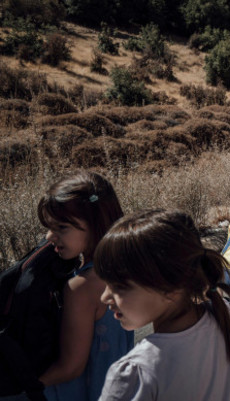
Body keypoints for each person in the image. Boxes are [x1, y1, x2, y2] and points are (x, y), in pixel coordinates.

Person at [95, 209, 230, 401]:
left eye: (119, 286)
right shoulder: (220, 313)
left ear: (171, 287)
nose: (104, 297)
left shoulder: (137, 372)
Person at [37, 171, 134, 401]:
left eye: (62, 228)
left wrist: (25, 386)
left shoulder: (82, 287)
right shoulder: (125, 263)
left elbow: (71, 368)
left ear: (94, 224)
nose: (50, 236)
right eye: (49, 227)